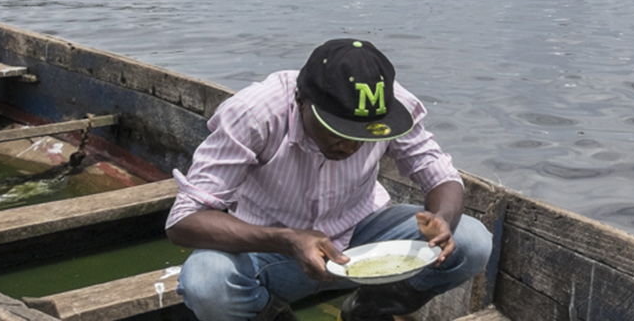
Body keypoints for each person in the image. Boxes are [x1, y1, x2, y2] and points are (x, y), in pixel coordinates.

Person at [167, 39, 493, 321]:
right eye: (339, 132)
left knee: (471, 240)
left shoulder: (387, 105)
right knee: (206, 282)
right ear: (301, 102)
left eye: (364, 136)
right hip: (271, 253)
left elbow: (438, 171)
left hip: (362, 240)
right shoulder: (255, 114)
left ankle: (369, 309)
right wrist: (288, 239)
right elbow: (184, 220)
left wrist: (442, 220)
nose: (351, 147)